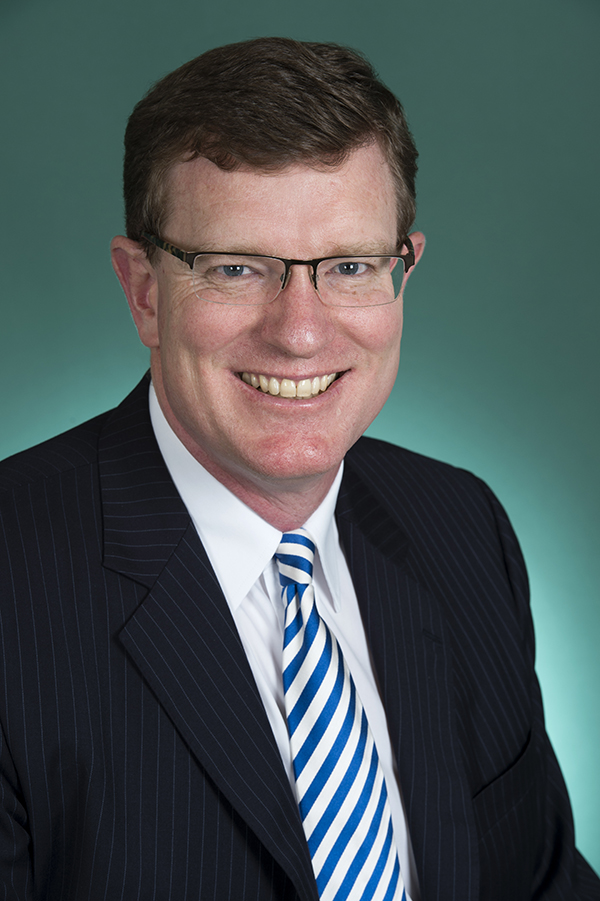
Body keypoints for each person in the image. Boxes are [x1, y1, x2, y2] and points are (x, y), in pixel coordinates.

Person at [0, 36, 597, 901]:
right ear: (144, 291)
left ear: (404, 272)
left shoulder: (462, 526)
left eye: (350, 267)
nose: (301, 332)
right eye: (236, 268)